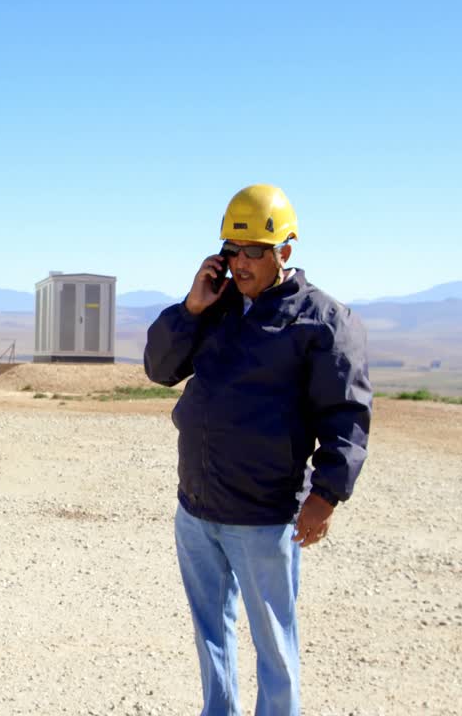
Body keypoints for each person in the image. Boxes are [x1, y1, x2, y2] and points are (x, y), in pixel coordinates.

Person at [144, 184, 372, 716]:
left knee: (274, 648)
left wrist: (326, 496)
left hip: (263, 516)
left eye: (254, 251)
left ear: (284, 251)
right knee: (210, 634)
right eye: (232, 250)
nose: (240, 262)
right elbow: (160, 369)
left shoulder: (323, 320)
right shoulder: (215, 308)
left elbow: (346, 416)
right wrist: (190, 309)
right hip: (197, 508)